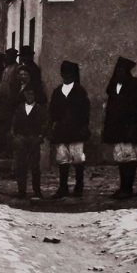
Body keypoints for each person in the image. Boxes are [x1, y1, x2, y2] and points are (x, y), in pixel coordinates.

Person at [49, 61, 90, 198]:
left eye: (69, 73)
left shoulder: (80, 91)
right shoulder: (57, 91)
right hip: (61, 130)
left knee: (77, 158)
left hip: (76, 130)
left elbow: (85, 111)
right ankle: (63, 187)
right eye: (64, 73)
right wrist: (53, 125)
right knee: (62, 158)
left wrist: (83, 127)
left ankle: (79, 186)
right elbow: (52, 111)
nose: (66, 76)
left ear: (73, 75)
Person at [103, 57, 137, 199]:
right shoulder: (113, 87)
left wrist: (133, 126)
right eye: (117, 71)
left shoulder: (134, 86)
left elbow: (136, 108)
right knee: (121, 158)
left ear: (126, 73)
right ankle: (123, 187)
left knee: (130, 158)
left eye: (122, 71)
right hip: (117, 128)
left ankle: (128, 188)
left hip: (129, 127)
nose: (119, 74)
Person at [11, 85, 47, 199]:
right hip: (21, 140)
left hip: (34, 140)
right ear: (24, 95)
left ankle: (37, 190)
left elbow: (45, 124)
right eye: (27, 94)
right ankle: (21, 190)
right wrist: (15, 137)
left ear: (35, 95)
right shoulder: (20, 108)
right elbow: (14, 124)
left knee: (35, 167)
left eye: (31, 94)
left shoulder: (39, 109)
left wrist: (40, 137)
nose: (29, 96)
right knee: (21, 166)